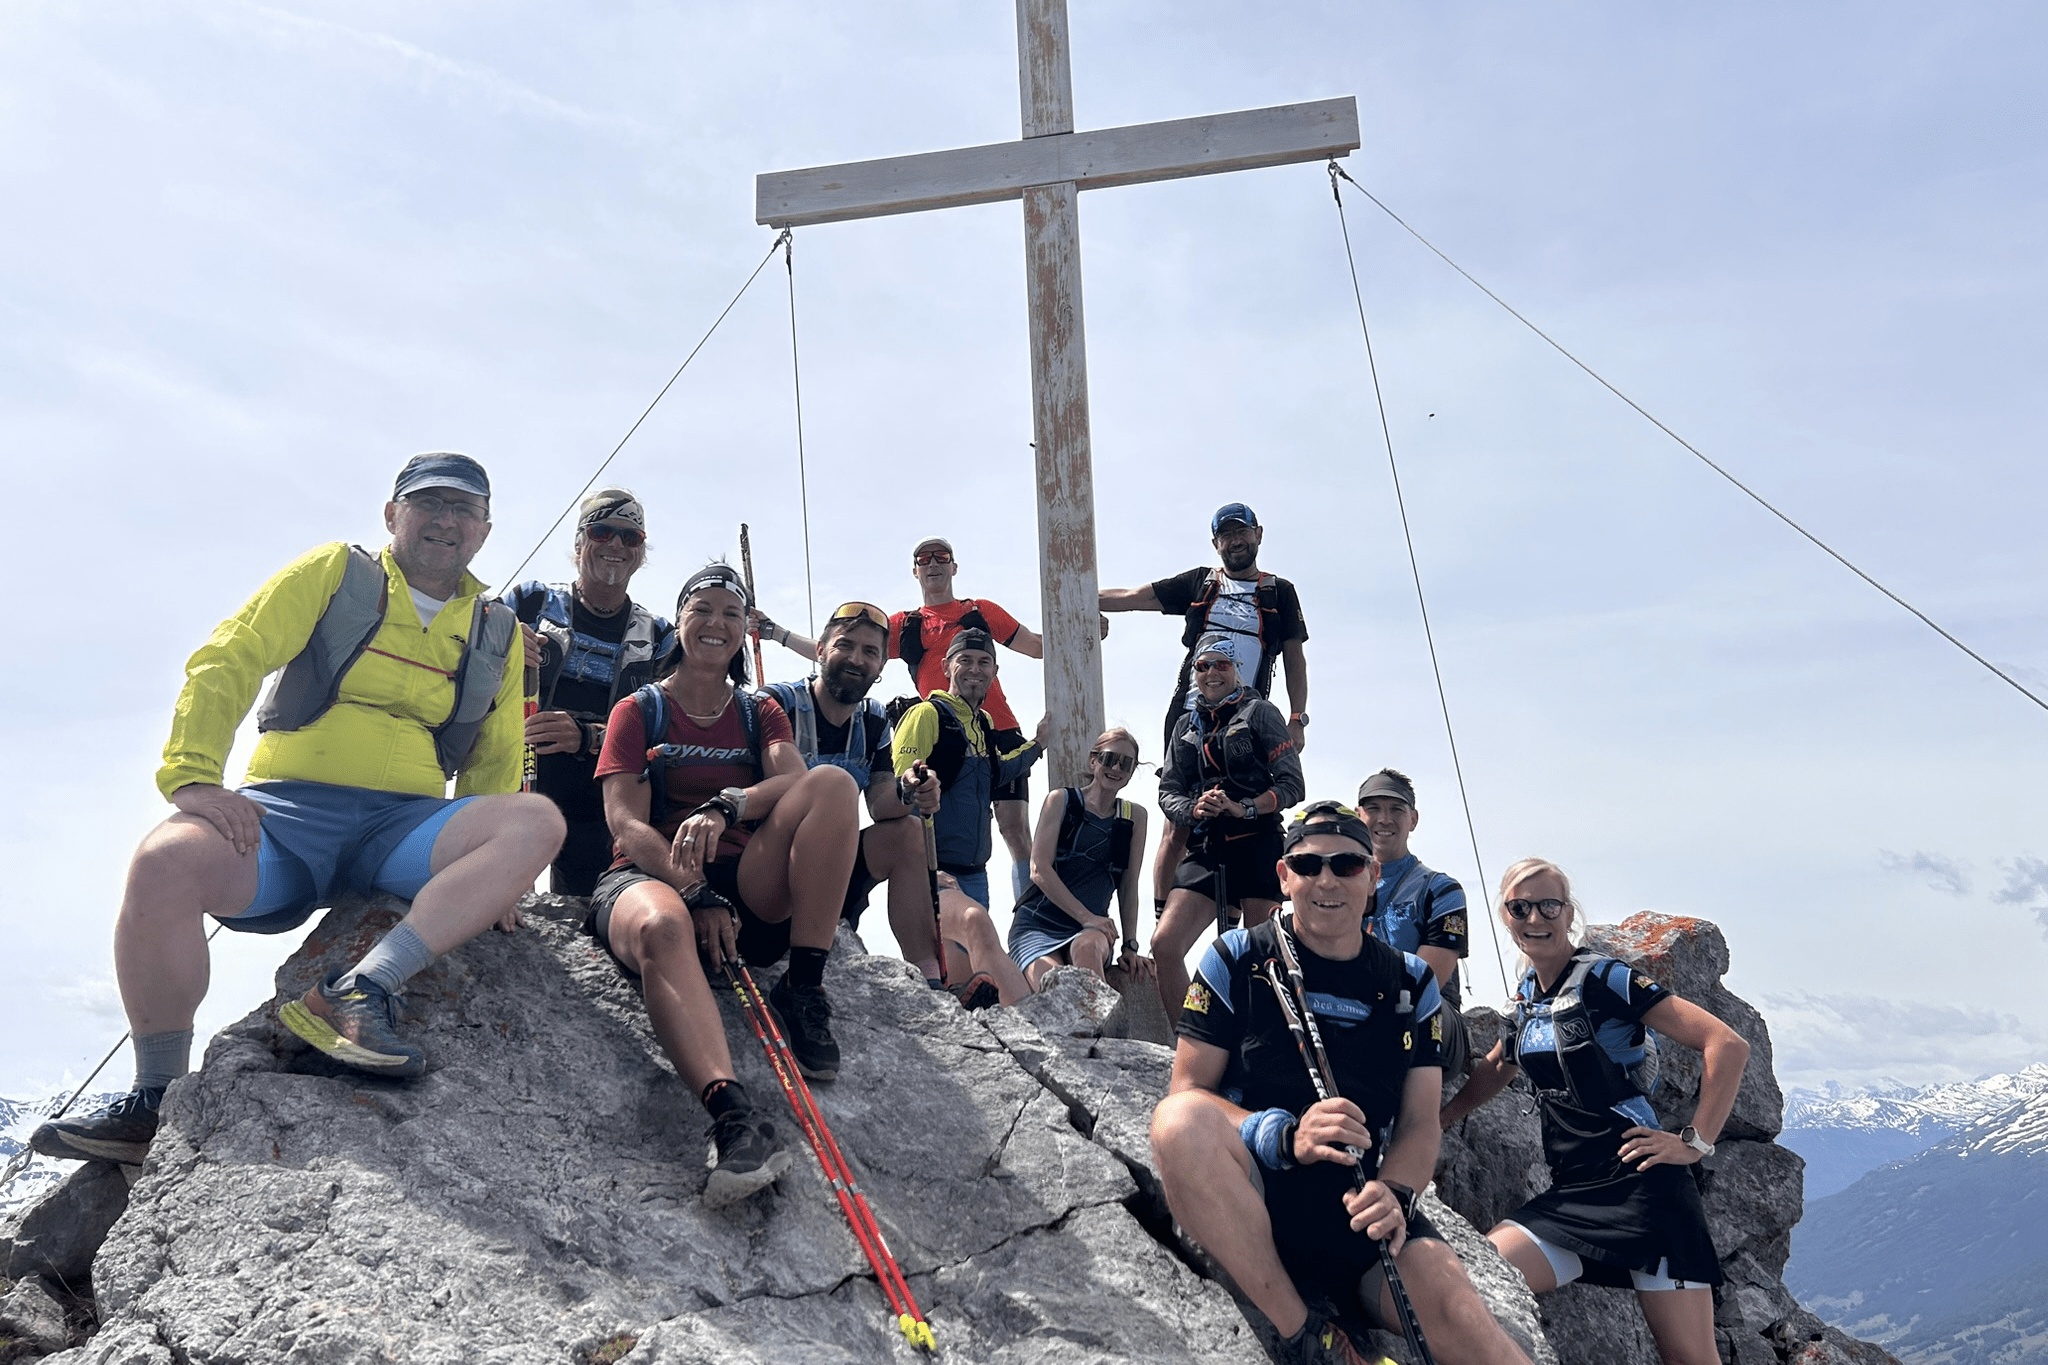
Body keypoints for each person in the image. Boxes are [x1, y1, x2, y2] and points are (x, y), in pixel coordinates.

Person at [33, 453, 565, 1165]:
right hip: (284, 821)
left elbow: (496, 760)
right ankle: (156, 1099)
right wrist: (194, 775)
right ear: (391, 515)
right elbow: (232, 653)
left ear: (485, 531)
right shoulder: (335, 574)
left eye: (464, 510)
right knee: (163, 861)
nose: (446, 520)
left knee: (539, 822)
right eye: (428, 502)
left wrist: (499, 879)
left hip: (404, 829)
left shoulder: (497, 631)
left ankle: (357, 991)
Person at [1150, 802, 1534, 1365]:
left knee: (1462, 1314)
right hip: (1256, 1189)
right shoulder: (1236, 957)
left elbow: (1421, 1119)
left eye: (1347, 866)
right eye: (1307, 866)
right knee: (1176, 1125)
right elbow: (1186, 1093)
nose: (1325, 880)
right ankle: (1311, 1338)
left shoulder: (1411, 981)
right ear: (1283, 878)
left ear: (1373, 876)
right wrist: (1283, 1136)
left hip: (1360, 1203)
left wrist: (1398, 1194)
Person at [1439, 859, 1749, 1365]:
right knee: (1480, 1281)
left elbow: (1726, 1044)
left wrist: (1694, 1143)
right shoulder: (1527, 996)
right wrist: (1439, 1122)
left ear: (1568, 913)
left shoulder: (1607, 978)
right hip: (1573, 1194)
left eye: (1548, 905)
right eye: (1520, 907)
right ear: (1506, 915)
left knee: (1690, 1358)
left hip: (1646, 1190)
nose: (1534, 917)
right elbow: (1500, 1064)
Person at [591, 563, 862, 1123]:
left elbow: (795, 779)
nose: (716, 623)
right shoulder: (640, 711)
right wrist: (693, 893)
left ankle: (804, 987)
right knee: (664, 928)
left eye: (731, 614)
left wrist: (729, 804)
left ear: (744, 629)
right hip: (653, 878)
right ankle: (732, 1114)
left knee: (834, 784)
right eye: (702, 609)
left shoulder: (756, 710)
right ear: (679, 620)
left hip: (743, 886)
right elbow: (626, 825)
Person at [1100, 502, 1309, 919]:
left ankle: (1232, 921)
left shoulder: (1277, 591)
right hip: (1189, 719)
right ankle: (1162, 919)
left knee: (1242, 815)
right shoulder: (1200, 583)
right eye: (1227, 535)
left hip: (1249, 720)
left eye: (1242, 532)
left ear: (1258, 535)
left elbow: (1293, 656)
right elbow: (1135, 597)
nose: (1236, 541)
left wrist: (1296, 717)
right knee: (1177, 823)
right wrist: (1079, 599)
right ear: (1216, 543)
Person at [756, 601, 944, 982]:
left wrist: (909, 789)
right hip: (772, 865)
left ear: (879, 668)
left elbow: (879, 805)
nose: (856, 659)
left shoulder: (874, 721)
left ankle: (930, 979)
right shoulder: (776, 703)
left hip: (833, 865)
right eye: (845, 645)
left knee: (909, 833)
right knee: (831, 783)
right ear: (821, 650)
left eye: (870, 652)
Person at [501, 489, 676, 895]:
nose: (615, 544)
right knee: (498, 908)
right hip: (517, 780)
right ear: (579, 543)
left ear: (640, 553)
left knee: (589, 917)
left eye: (630, 538)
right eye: (602, 532)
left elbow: (673, 732)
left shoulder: (659, 636)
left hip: (603, 805)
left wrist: (588, 736)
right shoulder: (529, 602)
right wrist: (501, 646)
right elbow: (462, 656)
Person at [1153, 636, 1303, 1029]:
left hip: (1258, 845)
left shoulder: (1260, 713)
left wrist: (1244, 807)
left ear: (1236, 670)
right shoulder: (1185, 725)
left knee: (1262, 959)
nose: (1211, 673)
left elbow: (1292, 784)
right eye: (1202, 667)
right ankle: (1190, 1039)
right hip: (1206, 846)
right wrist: (1192, 808)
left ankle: (1262, 1044)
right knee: (1164, 945)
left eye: (1221, 665)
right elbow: (1168, 790)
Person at [891, 628, 1047, 1006]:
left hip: (975, 873)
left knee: (964, 991)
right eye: (965, 661)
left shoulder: (984, 724)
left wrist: (1038, 746)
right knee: (973, 933)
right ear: (946, 667)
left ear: (994, 672)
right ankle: (1038, 1029)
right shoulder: (926, 714)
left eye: (983, 663)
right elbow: (898, 787)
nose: (974, 670)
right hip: (934, 871)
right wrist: (921, 867)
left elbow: (994, 773)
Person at [1007, 727, 1154, 990]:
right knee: (1053, 986)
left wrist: (1130, 945)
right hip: (1037, 924)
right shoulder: (1060, 800)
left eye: (1126, 763)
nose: (1117, 768)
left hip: (1091, 930)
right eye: (1110, 759)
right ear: (1093, 761)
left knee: (1088, 951)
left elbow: (1129, 884)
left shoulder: (1135, 817)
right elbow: (1038, 869)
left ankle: (1099, 1029)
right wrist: (1085, 916)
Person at [1356, 768, 1472, 1076]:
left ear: (1413, 819)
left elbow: (1427, 980)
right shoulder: (1340, 884)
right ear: (1358, 815)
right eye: (1374, 808)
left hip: (1431, 1015)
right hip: (1358, 1004)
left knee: (1403, 1007)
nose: (1384, 819)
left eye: (1396, 809)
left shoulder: (1441, 888)